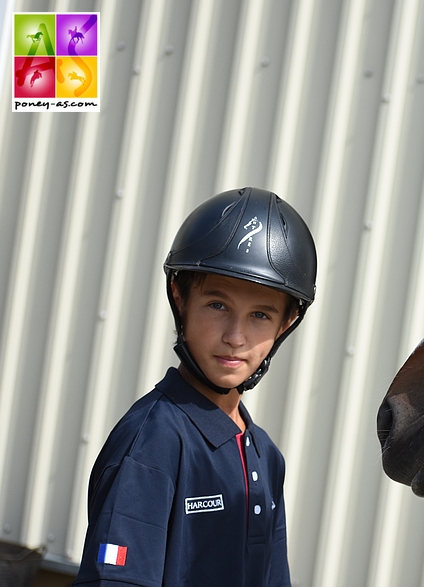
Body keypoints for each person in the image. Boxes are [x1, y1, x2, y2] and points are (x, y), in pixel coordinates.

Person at [73, 187, 317, 586]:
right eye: (217, 305)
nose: (235, 337)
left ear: (285, 325)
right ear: (180, 297)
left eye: (259, 315)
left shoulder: (266, 457)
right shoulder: (153, 441)